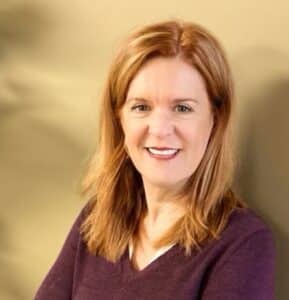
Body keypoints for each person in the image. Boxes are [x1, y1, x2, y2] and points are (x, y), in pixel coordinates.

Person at [34, 19, 275, 300]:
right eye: (141, 107)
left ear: (215, 120)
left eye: (182, 108)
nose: (159, 129)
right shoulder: (96, 221)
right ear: (119, 118)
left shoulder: (242, 244)